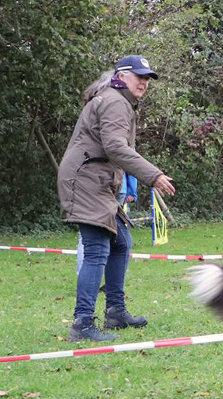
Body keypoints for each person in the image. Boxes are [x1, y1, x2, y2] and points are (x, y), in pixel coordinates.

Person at [58, 55, 176, 342]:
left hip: (94, 179)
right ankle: (83, 323)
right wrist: (154, 176)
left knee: (121, 243)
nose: (144, 83)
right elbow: (114, 148)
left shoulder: (115, 100)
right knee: (97, 250)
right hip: (85, 180)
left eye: (147, 78)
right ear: (122, 76)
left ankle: (116, 312)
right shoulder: (114, 101)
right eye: (139, 77)